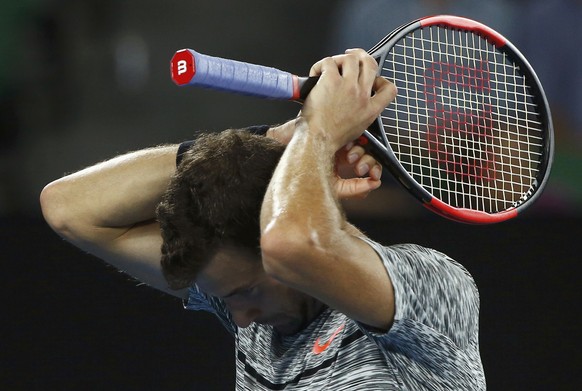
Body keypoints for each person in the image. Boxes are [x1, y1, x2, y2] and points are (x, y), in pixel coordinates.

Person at [40, 49, 485, 390]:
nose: (242, 319)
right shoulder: (248, 303)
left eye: (246, 291)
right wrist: (274, 143)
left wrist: (320, 130)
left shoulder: (434, 287)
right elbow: (68, 209)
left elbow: (289, 247)